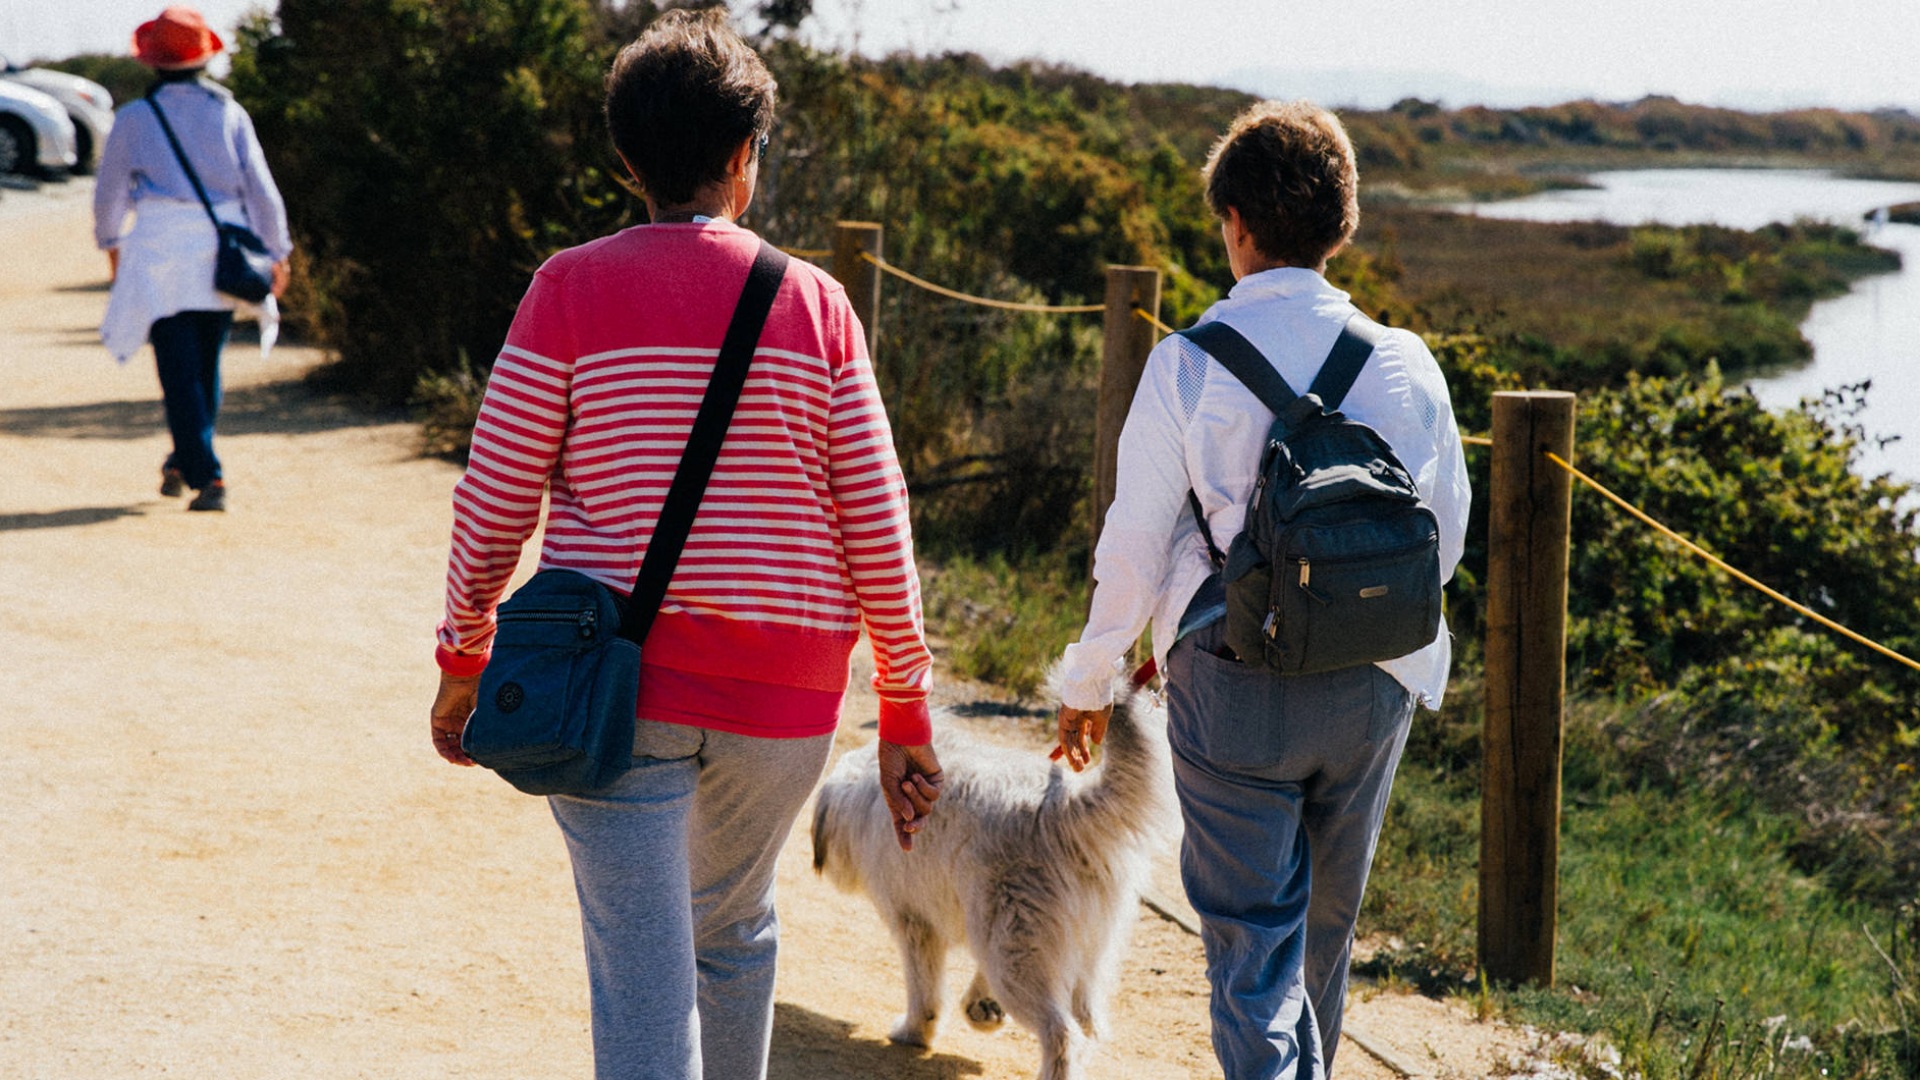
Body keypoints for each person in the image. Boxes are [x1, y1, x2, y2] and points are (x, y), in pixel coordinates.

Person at [426, 11, 943, 1080]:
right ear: (746, 158)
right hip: (786, 699)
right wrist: (904, 707)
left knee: (642, 968)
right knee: (734, 932)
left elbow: (496, 498)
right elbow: (878, 518)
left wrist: (464, 656)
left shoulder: (568, 288)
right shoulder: (818, 304)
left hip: (612, 677)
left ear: (626, 164)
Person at [1053, 101, 1470, 1080]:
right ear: (1345, 220)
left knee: (1252, 943)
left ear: (1233, 222)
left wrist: (1091, 681)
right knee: (1327, 932)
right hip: (1374, 681)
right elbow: (1440, 540)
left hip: (1229, 676)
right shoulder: (1405, 364)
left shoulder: (1187, 365)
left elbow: (1135, 546)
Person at [92, 5, 292, 513]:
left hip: (160, 250)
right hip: (221, 248)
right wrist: (278, 252)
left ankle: (208, 476)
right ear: (205, 58)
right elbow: (261, 190)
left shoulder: (134, 118)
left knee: (178, 369)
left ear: (151, 62)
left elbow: (110, 191)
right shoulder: (229, 112)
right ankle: (187, 460)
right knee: (206, 363)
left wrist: (110, 242)